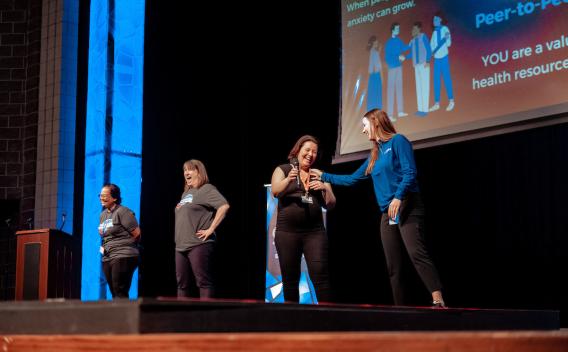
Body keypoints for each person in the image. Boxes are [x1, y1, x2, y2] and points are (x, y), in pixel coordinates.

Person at [311, 109, 446, 307]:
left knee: (416, 252)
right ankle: (400, 309)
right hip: (387, 213)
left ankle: (438, 300)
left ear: (375, 123)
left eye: (365, 125)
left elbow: (410, 172)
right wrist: (324, 176)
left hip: (407, 203)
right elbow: (352, 179)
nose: (364, 131)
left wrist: (398, 197)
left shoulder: (398, 141)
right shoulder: (375, 155)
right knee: (393, 265)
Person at [270, 135, 336, 303]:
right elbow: (275, 191)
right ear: (298, 150)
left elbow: (331, 203)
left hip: (314, 233)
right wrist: (289, 179)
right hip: (287, 233)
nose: (310, 154)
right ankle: (294, 323)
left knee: (321, 276)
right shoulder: (283, 169)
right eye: (307, 150)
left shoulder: (319, 174)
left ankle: (328, 322)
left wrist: (324, 188)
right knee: (290, 279)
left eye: (314, 152)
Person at [175, 159, 230, 299]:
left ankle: (206, 319)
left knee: (203, 282)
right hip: (181, 246)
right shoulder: (186, 194)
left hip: (199, 243)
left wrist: (211, 229)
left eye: (190, 169)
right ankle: (182, 319)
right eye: (184, 170)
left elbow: (224, 206)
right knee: (182, 284)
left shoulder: (206, 189)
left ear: (199, 172)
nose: (186, 173)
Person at [98, 183, 141, 299]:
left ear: (114, 198)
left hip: (123, 255)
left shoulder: (123, 212)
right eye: (100, 195)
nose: (101, 198)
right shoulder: (102, 215)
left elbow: (137, 234)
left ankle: (125, 316)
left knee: (120, 291)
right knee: (114, 292)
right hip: (107, 256)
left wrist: (124, 246)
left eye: (105, 195)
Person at [429, 11, 455, 112]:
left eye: (435, 19)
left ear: (440, 19)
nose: (434, 21)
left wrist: (446, 39)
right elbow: (431, 46)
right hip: (436, 59)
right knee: (436, 80)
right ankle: (437, 103)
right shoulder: (434, 32)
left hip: (444, 57)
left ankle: (451, 100)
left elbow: (448, 44)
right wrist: (432, 52)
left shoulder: (445, 29)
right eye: (433, 20)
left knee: (446, 78)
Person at [385, 22, 410, 120]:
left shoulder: (399, 40)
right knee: (391, 91)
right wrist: (397, 57)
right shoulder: (389, 42)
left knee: (399, 89)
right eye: (397, 29)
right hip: (392, 68)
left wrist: (411, 44)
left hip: (399, 67)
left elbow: (404, 47)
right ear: (392, 30)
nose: (398, 30)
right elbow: (387, 57)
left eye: (399, 28)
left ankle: (400, 111)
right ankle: (390, 115)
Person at [407, 22, 431, 117]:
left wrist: (428, 61)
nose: (413, 31)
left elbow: (428, 49)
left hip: (424, 64)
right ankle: (420, 109)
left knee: (424, 87)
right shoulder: (413, 41)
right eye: (412, 29)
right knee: (419, 88)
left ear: (419, 29)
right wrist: (405, 57)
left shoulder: (423, 37)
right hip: (416, 66)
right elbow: (411, 53)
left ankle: (425, 110)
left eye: (414, 29)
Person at [367, 35, 383, 111]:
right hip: (375, 75)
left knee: (373, 93)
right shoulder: (374, 52)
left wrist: (379, 51)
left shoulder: (373, 51)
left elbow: (375, 60)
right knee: (376, 93)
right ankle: (376, 111)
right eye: (376, 41)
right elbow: (377, 64)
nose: (377, 42)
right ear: (373, 42)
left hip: (373, 75)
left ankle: (373, 110)